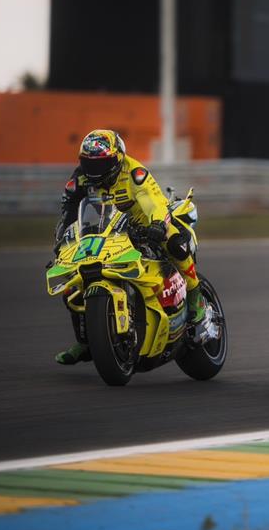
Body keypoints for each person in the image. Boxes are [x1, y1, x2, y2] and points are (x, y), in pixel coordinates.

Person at [52, 129, 208, 365]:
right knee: (73, 281)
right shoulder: (79, 180)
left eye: (102, 163)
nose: (95, 170)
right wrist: (62, 241)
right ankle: (87, 342)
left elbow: (153, 202)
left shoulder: (135, 173)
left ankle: (196, 298)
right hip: (107, 233)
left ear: (118, 158)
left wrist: (157, 225)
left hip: (146, 226)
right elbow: (68, 214)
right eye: (89, 164)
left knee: (176, 244)